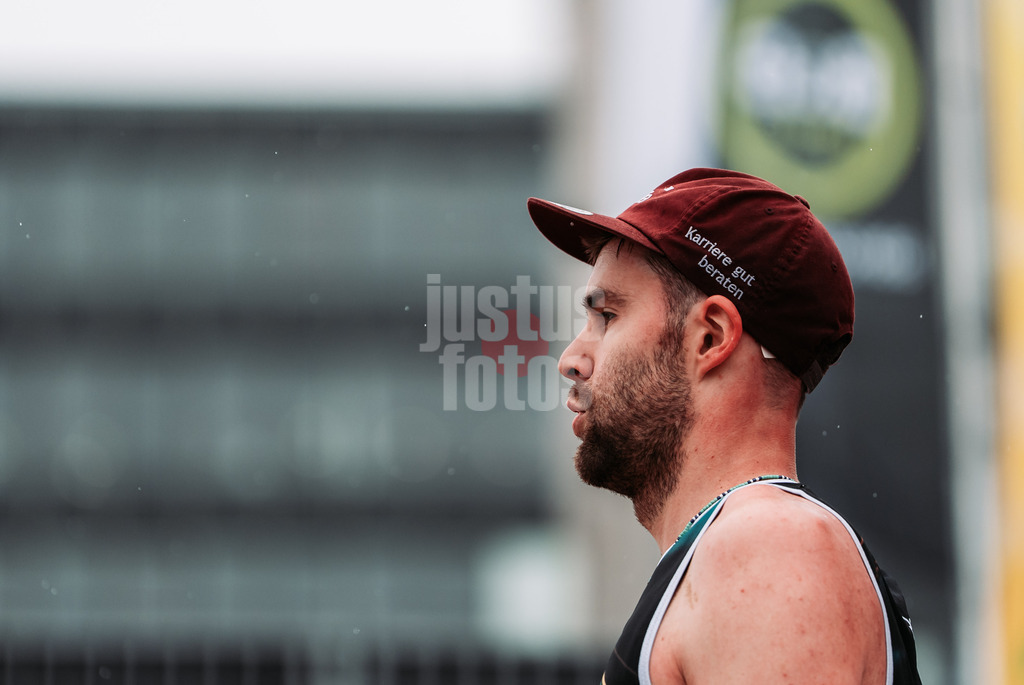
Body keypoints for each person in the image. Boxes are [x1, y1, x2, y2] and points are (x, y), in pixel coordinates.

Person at [526, 168, 921, 685]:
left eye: (608, 317)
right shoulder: (742, 548)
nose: (573, 359)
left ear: (710, 339)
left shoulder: (770, 547)